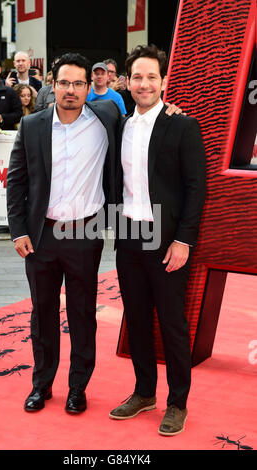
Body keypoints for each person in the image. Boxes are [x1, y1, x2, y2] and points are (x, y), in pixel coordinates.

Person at [6, 52, 121, 414]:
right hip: (41, 236)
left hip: (85, 235)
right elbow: (16, 179)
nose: (70, 90)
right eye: (64, 83)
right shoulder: (33, 125)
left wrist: (171, 109)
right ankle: (42, 385)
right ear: (53, 85)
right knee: (42, 313)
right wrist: (17, 230)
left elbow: (147, 122)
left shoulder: (108, 119)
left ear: (91, 86)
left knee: (83, 313)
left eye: (78, 83)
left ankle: (78, 387)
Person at [109, 44, 206, 436]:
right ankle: (144, 392)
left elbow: (196, 187)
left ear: (164, 81)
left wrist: (184, 240)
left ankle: (177, 401)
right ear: (127, 82)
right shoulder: (120, 124)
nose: (144, 83)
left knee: (172, 324)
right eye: (137, 77)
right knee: (136, 320)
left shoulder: (182, 125)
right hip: (130, 234)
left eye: (152, 76)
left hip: (167, 239)